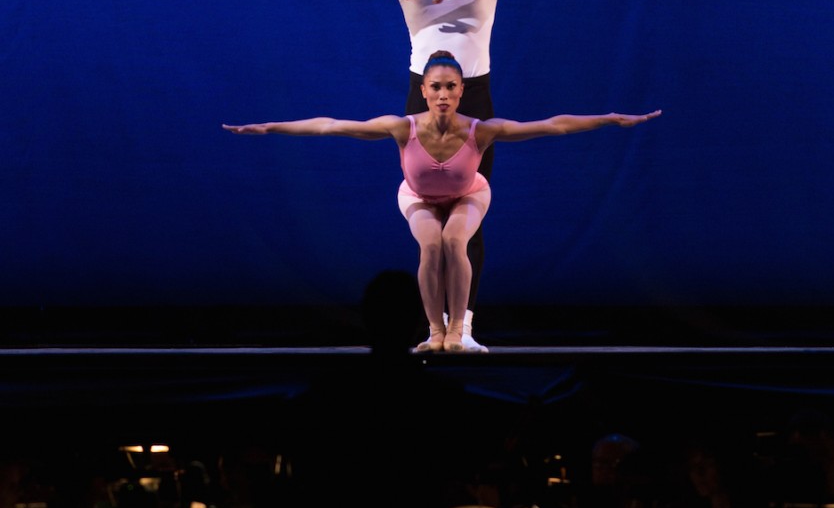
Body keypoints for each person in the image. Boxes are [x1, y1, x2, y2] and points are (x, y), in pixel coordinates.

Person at [223, 50, 661, 355]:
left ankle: (458, 329)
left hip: (469, 192)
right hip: (418, 196)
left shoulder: (479, 130)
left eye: (452, 87)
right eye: (436, 87)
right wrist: (270, 127)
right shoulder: (401, 127)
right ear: (426, 91)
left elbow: (552, 126)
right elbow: (331, 127)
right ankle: (433, 332)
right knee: (431, 245)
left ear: (461, 90)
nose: (444, 94)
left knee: (456, 243)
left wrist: (610, 119)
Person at [352, 0, 527, 352]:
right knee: (430, 215)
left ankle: (463, 327)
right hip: (421, 95)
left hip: (474, 95)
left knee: (469, 215)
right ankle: (433, 329)